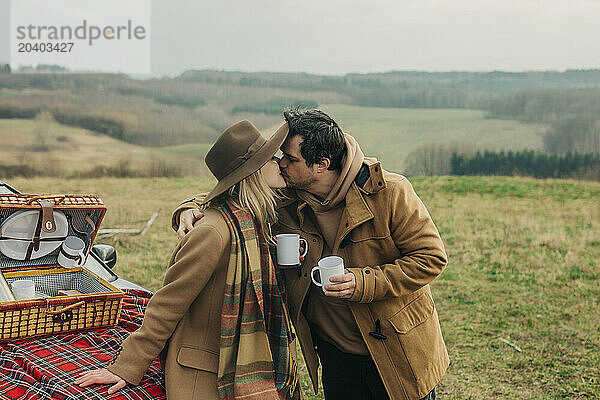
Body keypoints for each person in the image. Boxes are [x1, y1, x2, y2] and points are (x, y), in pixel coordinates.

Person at [174, 109, 449, 400]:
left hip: (397, 350)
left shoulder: (391, 192)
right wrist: (190, 208)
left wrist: (363, 283)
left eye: (291, 159)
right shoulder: (288, 193)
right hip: (335, 354)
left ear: (321, 164)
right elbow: (237, 189)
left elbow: (431, 257)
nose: (281, 165)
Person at [76, 120, 301, 400]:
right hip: (208, 372)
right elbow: (169, 302)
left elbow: (207, 198)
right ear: (252, 173)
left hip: (243, 360)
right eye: (270, 158)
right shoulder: (212, 232)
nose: (279, 162)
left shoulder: (255, 219)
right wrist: (127, 367)